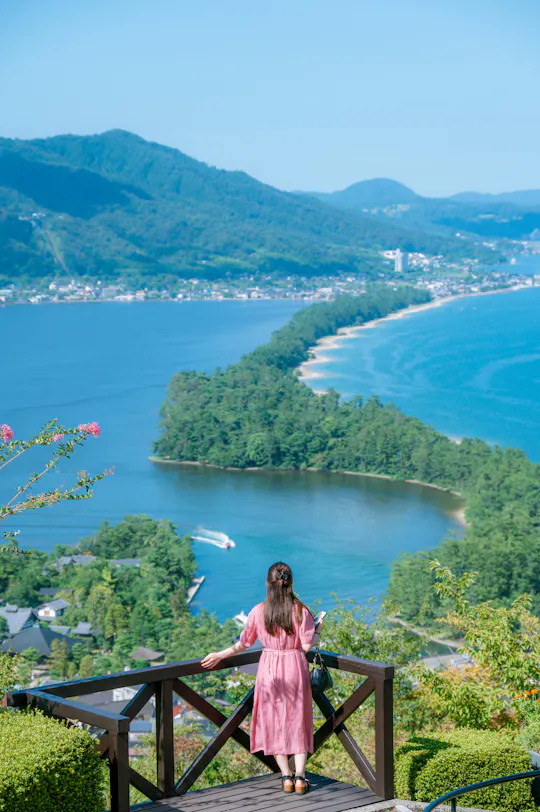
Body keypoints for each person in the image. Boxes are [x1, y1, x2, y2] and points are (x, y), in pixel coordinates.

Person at [202, 561, 320, 795]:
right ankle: (300, 778)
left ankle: (286, 776)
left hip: (269, 669)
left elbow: (244, 643)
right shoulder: (301, 611)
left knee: (273, 719)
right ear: (291, 582)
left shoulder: (259, 611)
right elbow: (307, 645)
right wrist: (317, 630)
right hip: (294, 665)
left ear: (269, 583)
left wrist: (220, 654)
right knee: (298, 719)